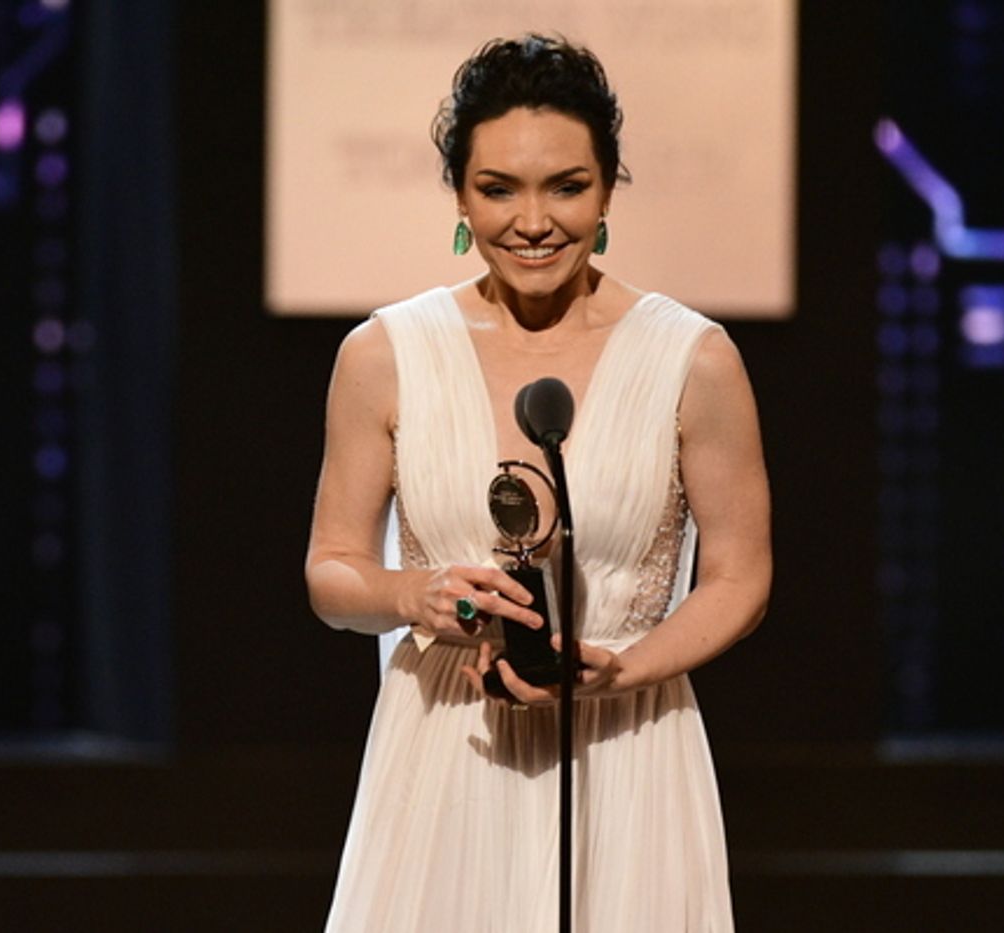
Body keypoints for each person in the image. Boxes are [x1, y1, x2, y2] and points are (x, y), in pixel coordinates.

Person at [305, 33, 771, 932]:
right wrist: (417, 592)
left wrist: (620, 669)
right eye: (498, 189)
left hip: (626, 749)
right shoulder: (382, 356)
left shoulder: (693, 359)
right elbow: (332, 572)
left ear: (606, 190)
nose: (534, 220)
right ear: (458, 196)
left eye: (566, 186)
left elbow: (740, 577)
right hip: (444, 757)